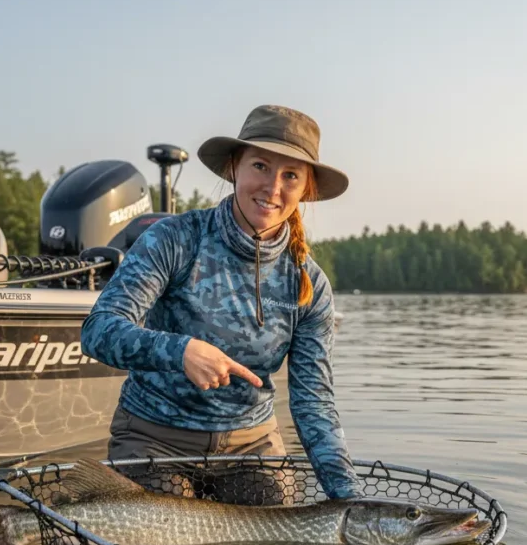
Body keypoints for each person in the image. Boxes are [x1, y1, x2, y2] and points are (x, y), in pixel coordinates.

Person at [80, 104, 360, 503]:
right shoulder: (174, 239)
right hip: (153, 437)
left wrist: (348, 498)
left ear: (306, 189)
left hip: (251, 446)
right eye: (261, 166)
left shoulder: (309, 283)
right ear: (234, 167)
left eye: (291, 176)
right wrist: (181, 351)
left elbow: (313, 398)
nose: (273, 188)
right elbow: (99, 331)